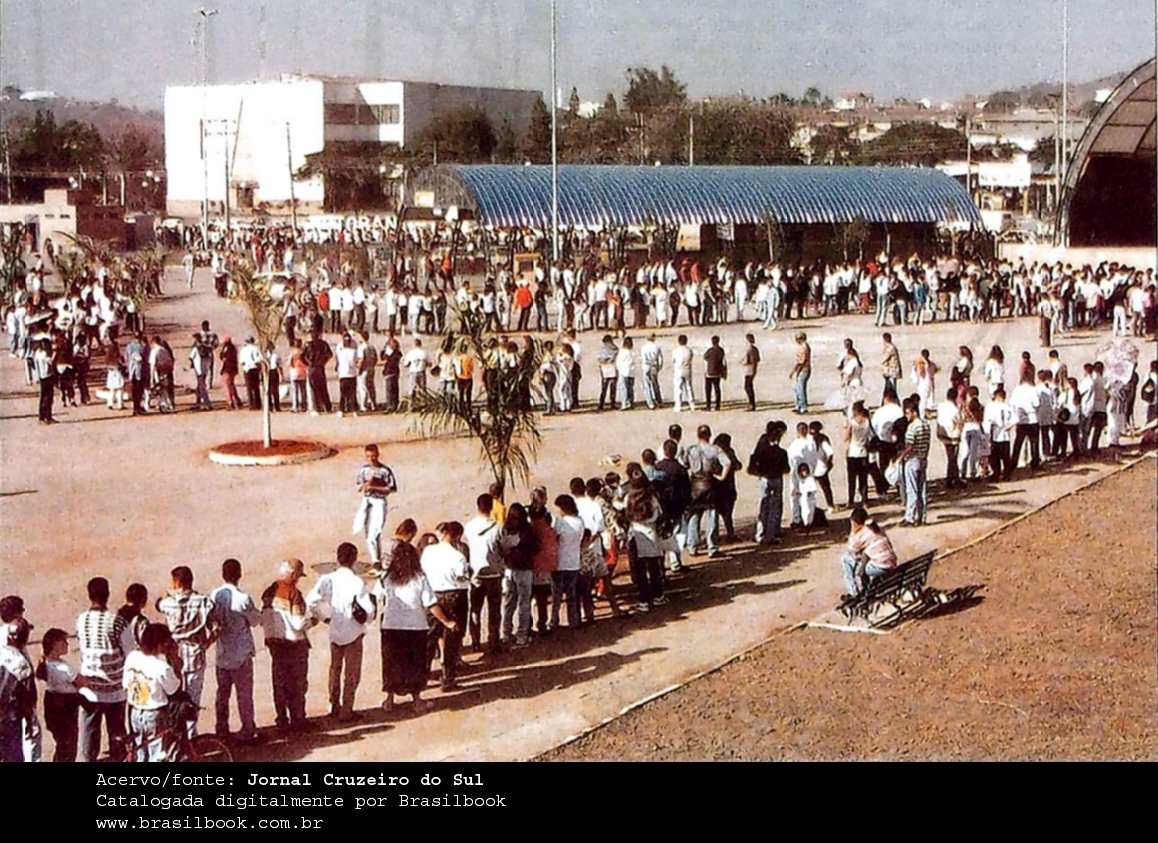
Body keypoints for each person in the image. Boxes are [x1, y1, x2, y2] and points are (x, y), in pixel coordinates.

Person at [375, 527, 456, 713]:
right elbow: (431, 604)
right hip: (415, 626)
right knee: (415, 664)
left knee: (391, 663)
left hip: (391, 625)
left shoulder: (387, 578)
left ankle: (389, 700)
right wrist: (447, 622)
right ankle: (417, 700)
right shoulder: (419, 578)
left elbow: (377, 597)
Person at [155, 566, 218, 737]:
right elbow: (216, 628)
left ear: (176, 582)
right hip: (195, 653)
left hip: (173, 654)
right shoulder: (203, 602)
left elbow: (158, 603)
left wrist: (169, 593)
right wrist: (205, 644)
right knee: (193, 698)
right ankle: (190, 737)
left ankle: (175, 734)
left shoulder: (168, 603)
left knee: (173, 697)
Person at [261, 559, 316, 734]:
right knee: (297, 685)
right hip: (295, 645)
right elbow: (299, 624)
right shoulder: (294, 594)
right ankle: (298, 719)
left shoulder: (268, 592)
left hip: (275, 645)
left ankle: (282, 720)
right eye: (298, 576)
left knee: (280, 684)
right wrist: (313, 620)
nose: (298, 579)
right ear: (293, 575)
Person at [209, 559, 261, 743]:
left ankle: (221, 728)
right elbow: (255, 621)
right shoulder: (243, 598)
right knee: (244, 695)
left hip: (222, 652)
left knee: (222, 694)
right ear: (239, 574)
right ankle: (248, 729)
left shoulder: (214, 596)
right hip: (241, 653)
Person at [76, 577, 127, 762]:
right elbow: (129, 651)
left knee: (90, 728)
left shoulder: (81, 620)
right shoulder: (117, 622)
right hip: (115, 688)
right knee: (117, 729)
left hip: (90, 687)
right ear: (108, 594)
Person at [420, 522, 471, 692]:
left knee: (430, 638)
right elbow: (461, 576)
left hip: (433, 595)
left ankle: (422, 677)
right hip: (454, 595)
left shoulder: (428, 551)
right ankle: (448, 678)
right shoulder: (458, 556)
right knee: (452, 639)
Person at [122, 624, 181, 762]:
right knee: (156, 754)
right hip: (154, 714)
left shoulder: (132, 657)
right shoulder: (162, 667)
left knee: (140, 752)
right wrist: (175, 663)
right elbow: (174, 689)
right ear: (159, 645)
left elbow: (125, 684)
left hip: (135, 712)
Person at [37, 627, 83, 762]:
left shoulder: (46, 664)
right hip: (67, 704)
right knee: (69, 743)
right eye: (64, 642)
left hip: (51, 701)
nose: (67, 644)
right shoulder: (64, 668)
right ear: (55, 645)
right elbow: (80, 682)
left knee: (61, 741)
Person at [499, 503, 538, 647]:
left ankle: (506, 633)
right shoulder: (527, 530)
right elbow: (535, 548)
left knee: (509, 603)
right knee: (524, 603)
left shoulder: (505, 529)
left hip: (509, 569)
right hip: (524, 569)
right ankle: (522, 634)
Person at [353, 444, 397, 567]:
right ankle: (375, 560)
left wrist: (375, 486)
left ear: (377, 455)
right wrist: (366, 485)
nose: (371, 459)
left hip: (379, 501)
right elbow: (358, 486)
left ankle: (377, 560)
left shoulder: (384, 471)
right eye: (368, 456)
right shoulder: (364, 470)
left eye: (373, 456)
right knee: (368, 531)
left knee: (375, 531)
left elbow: (392, 488)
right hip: (367, 500)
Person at [685, 424, 725, 558]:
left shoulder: (691, 449)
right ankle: (712, 547)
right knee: (712, 514)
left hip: (695, 484)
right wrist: (721, 477)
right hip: (709, 482)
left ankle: (692, 546)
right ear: (709, 435)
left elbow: (685, 464)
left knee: (694, 515)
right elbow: (727, 463)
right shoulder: (715, 449)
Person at [840, 508, 898, 597]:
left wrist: (853, 531)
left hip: (880, 567)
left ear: (854, 521)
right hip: (890, 563)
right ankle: (865, 588)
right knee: (863, 560)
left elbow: (851, 549)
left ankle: (853, 592)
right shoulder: (875, 528)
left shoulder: (862, 534)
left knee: (846, 559)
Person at [749, 420, 789, 544]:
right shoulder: (778, 451)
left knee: (765, 505)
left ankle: (761, 533)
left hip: (764, 478)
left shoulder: (763, 443)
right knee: (774, 507)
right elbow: (786, 468)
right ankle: (771, 533)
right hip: (774, 477)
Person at [551, 496, 584, 628]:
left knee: (557, 595)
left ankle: (554, 620)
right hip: (574, 561)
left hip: (560, 562)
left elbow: (555, 538)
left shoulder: (560, 522)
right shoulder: (580, 521)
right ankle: (573, 620)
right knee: (572, 594)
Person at [898, 396, 931, 525]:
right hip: (923, 458)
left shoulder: (912, 427)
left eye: (908, 413)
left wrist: (901, 456)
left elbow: (910, 445)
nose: (907, 416)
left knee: (911, 489)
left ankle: (910, 517)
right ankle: (922, 516)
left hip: (913, 459)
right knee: (922, 490)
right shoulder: (926, 425)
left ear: (914, 412)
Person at [786, 422, 818, 527]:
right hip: (806, 473)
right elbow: (814, 459)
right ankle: (806, 519)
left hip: (800, 474)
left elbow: (793, 461)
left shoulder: (798, 444)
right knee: (806, 497)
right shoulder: (809, 443)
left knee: (801, 497)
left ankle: (800, 519)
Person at [984, 387, 1017, 481]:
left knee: (995, 456)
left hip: (995, 434)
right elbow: (1015, 418)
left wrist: (987, 435)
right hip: (1005, 435)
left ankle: (996, 474)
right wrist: (1008, 426)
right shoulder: (1007, 406)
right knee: (1005, 456)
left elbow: (988, 421)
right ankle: (1006, 474)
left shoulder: (991, 406)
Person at [936, 387, 965, 489]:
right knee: (953, 458)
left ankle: (951, 478)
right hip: (953, 436)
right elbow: (960, 422)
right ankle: (953, 479)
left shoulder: (941, 406)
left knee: (950, 457)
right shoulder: (955, 410)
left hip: (942, 434)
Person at [303, 332, 333, 414]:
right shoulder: (322, 344)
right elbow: (329, 354)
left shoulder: (311, 345)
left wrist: (309, 363)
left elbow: (303, 356)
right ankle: (326, 406)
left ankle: (320, 407)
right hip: (318, 368)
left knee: (316, 388)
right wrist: (323, 361)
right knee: (322, 388)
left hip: (314, 368)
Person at [671, 334, 695, 412]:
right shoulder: (689, 350)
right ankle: (692, 404)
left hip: (678, 370)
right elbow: (691, 358)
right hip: (687, 369)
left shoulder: (675, 351)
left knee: (678, 388)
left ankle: (678, 405)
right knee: (689, 387)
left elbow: (673, 360)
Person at [640, 333, 664, 409]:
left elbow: (643, 359)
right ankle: (659, 400)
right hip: (654, 366)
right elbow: (660, 359)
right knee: (655, 384)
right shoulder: (657, 347)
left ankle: (650, 403)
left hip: (646, 366)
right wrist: (658, 368)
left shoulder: (644, 347)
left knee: (647, 385)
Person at [239, 335, 263, 411]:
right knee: (256, 387)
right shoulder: (255, 349)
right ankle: (257, 404)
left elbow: (242, 361)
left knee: (249, 387)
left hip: (247, 369)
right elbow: (259, 359)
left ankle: (251, 404)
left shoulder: (243, 350)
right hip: (254, 368)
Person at [703, 335, 727, 411]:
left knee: (708, 390)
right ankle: (717, 405)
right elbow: (723, 360)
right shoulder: (721, 350)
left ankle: (708, 405)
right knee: (717, 388)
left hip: (709, 372)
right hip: (717, 372)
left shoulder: (710, 350)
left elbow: (705, 357)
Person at [789, 332, 811, 413]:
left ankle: (803, 406)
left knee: (800, 388)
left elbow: (800, 361)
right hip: (802, 369)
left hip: (803, 369)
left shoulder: (804, 348)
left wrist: (793, 371)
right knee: (798, 388)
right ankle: (798, 405)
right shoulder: (804, 347)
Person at [219, 336, 241, 411]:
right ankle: (237, 400)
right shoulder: (233, 348)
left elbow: (224, 357)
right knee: (231, 385)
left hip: (228, 369)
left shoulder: (228, 349)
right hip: (232, 369)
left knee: (227, 386)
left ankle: (230, 402)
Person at [741, 333, 760, 411]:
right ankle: (752, 403)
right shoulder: (755, 349)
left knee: (747, 387)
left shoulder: (748, 349)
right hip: (754, 368)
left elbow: (746, 361)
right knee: (750, 386)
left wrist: (741, 362)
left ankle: (751, 404)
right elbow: (758, 359)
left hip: (748, 370)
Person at [881, 333, 901, 400]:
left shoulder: (890, 348)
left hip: (892, 371)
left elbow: (885, 358)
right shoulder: (889, 347)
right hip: (889, 371)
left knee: (891, 387)